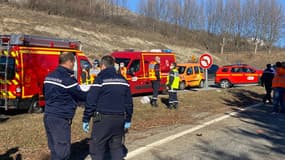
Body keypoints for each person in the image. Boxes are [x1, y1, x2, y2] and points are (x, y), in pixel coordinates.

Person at [82, 55, 133, 160]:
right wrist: (128, 119)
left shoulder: (100, 79)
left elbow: (91, 101)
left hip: (103, 119)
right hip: (119, 119)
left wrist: (86, 118)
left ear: (103, 66)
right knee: (116, 147)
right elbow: (129, 103)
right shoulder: (123, 80)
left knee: (97, 148)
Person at [43, 51, 87, 160]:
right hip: (60, 118)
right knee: (63, 152)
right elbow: (81, 96)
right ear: (69, 62)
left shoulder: (49, 77)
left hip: (48, 116)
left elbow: (45, 93)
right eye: (74, 63)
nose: (74, 66)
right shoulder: (68, 80)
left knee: (54, 149)